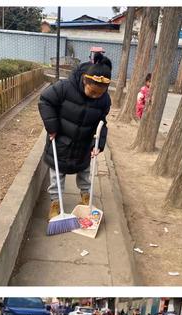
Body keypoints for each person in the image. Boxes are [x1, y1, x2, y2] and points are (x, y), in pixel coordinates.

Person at [38, 54, 112, 221]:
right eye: (92, 92)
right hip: (60, 140)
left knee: (85, 173)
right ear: (85, 81)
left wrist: (98, 143)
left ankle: (86, 198)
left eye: (99, 94)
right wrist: (52, 126)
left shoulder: (104, 100)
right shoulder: (65, 87)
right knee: (57, 175)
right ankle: (55, 202)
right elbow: (45, 101)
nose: (95, 96)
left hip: (84, 144)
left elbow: (102, 123)